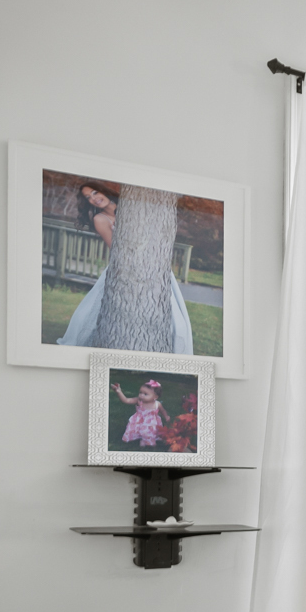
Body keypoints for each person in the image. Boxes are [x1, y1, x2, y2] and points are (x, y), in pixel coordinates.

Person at [56, 182, 195, 353]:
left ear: (104, 191)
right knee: (91, 316)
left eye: (95, 192)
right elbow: (115, 249)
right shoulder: (100, 219)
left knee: (172, 317)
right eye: (88, 197)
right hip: (125, 268)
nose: (93, 198)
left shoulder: (130, 206)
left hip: (154, 267)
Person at [114, 377, 169, 448]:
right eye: (140, 392)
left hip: (151, 423)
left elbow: (162, 410)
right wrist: (119, 392)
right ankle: (142, 439)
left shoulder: (157, 404)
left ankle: (146, 440)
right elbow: (126, 400)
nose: (141, 395)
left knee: (149, 432)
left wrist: (166, 416)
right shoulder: (138, 401)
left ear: (155, 397)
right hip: (139, 422)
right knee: (140, 431)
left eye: (145, 394)